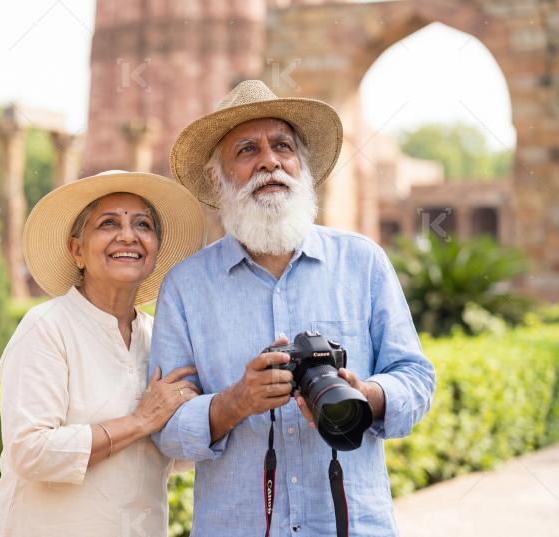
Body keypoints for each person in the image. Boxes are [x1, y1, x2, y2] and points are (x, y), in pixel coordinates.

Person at [150, 80, 436, 536]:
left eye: (282, 146)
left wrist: (367, 395)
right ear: (215, 177)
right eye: (246, 150)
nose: (269, 161)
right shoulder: (185, 287)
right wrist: (234, 402)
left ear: (300, 165)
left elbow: (417, 377)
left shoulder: (361, 262)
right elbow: (164, 426)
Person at [0, 170, 206, 536]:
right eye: (108, 223)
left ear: (154, 249)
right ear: (77, 250)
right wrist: (139, 420)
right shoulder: (47, 326)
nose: (128, 235)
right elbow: (30, 451)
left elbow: (177, 455)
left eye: (143, 224)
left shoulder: (159, 338)